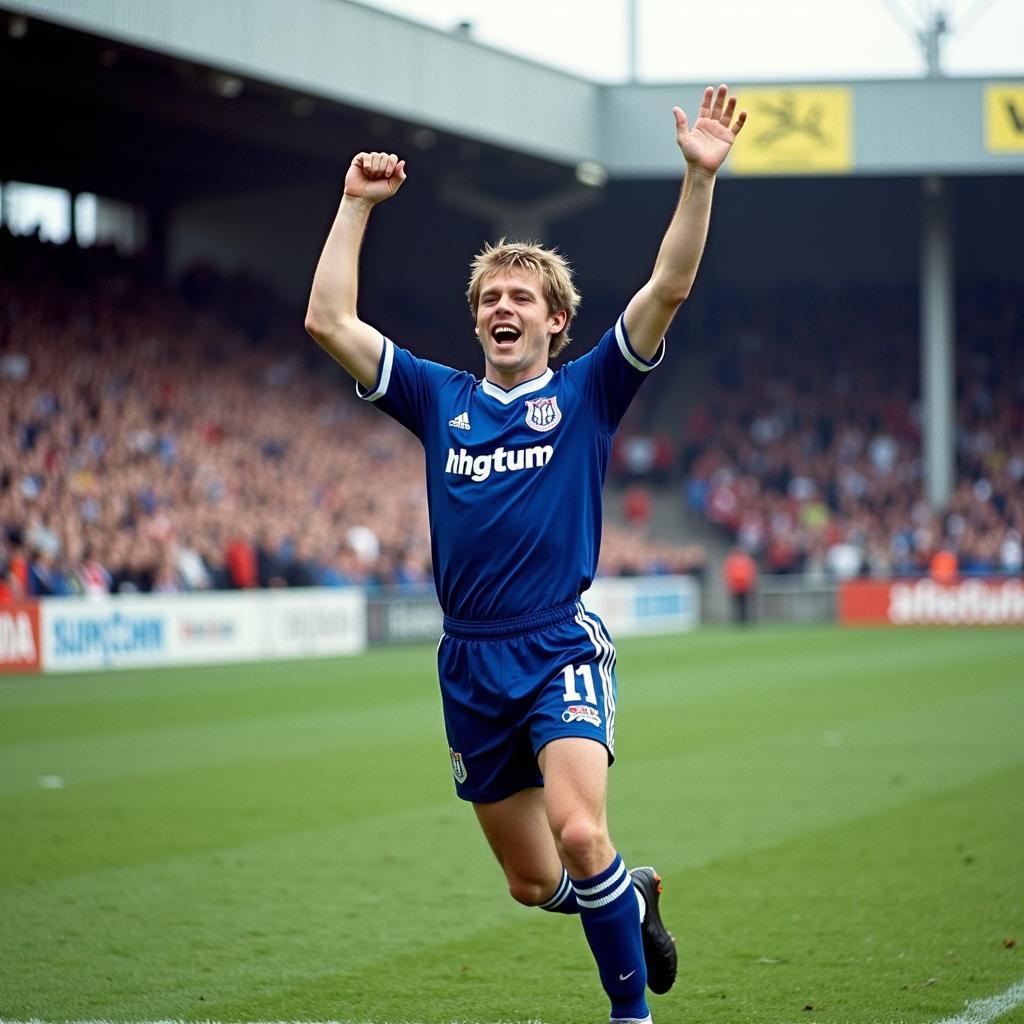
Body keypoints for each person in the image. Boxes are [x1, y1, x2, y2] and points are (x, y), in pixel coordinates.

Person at [305, 85, 746, 1024]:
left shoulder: (590, 390)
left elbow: (668, 286)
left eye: (523, 298)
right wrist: (353, 207)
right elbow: (329, 325)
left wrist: (697, 180)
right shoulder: (438, 398)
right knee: (532, 880)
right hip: (467, 657)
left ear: (555, 322)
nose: (504, 307)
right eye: (490, 298)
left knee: (583, 832)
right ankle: (631, 897)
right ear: (478, 323)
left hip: (556, 645)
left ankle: (631, 1015)